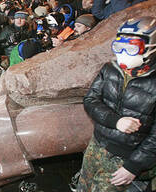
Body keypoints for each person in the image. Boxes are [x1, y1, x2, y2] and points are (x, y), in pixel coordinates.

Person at [77, 16, 156, 191]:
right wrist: (116, 121)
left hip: (126, 157)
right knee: (83, 186)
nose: (123, 52)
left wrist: (133, 166)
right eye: (120, 45)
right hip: (97, 144)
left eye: (132, 47)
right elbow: (90, 100)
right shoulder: (110, 69)